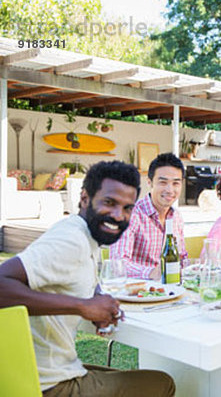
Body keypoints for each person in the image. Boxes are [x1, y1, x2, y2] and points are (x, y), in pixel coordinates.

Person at [0, 161, 175, 396]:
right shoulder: (72, 239)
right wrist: (83, 306)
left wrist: (94, 300)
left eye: (127, 208)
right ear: (84, 198)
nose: (118, 215)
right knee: (162, 383)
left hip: (32, 373)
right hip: (49, 385)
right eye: (109, 203)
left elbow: (60, 283)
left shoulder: (83, 234)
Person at [110, 153, 189, 279]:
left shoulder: (176, 217)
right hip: (138, 293)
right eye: (163, 182)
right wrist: (151, 272)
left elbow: (182, 258)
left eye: (176, 183)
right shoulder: (131, 216)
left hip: (171, 291)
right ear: (149, 182)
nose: (170, 190)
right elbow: (117, 264)